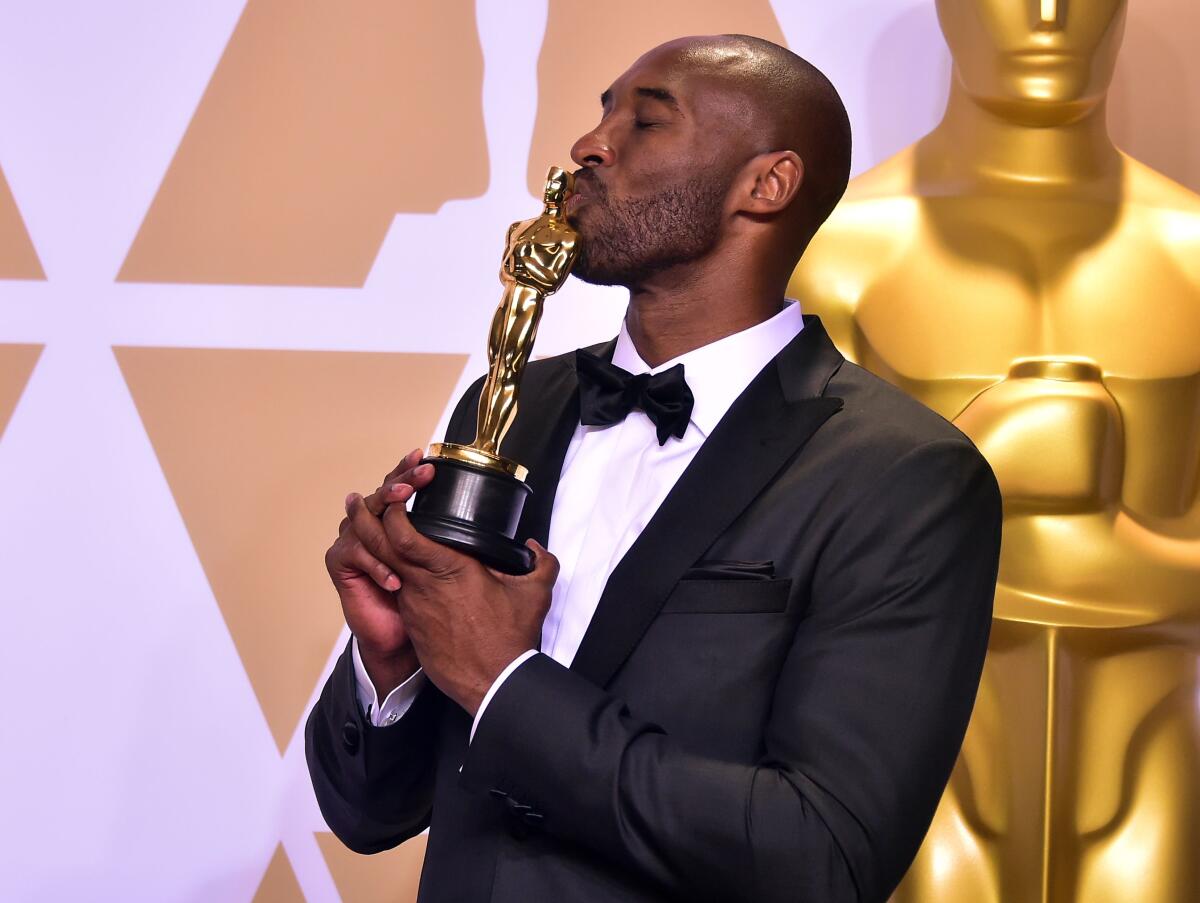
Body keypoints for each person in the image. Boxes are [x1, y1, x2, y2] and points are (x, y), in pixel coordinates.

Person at [306, 34, 1002, 903]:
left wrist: (506, 684)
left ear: (767, 184)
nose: (591, 145)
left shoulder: (905, 476)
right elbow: (370, 814)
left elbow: (821, 856)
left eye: (645, 119)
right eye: (602, 112)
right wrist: (392, 662)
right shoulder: (511, 404)